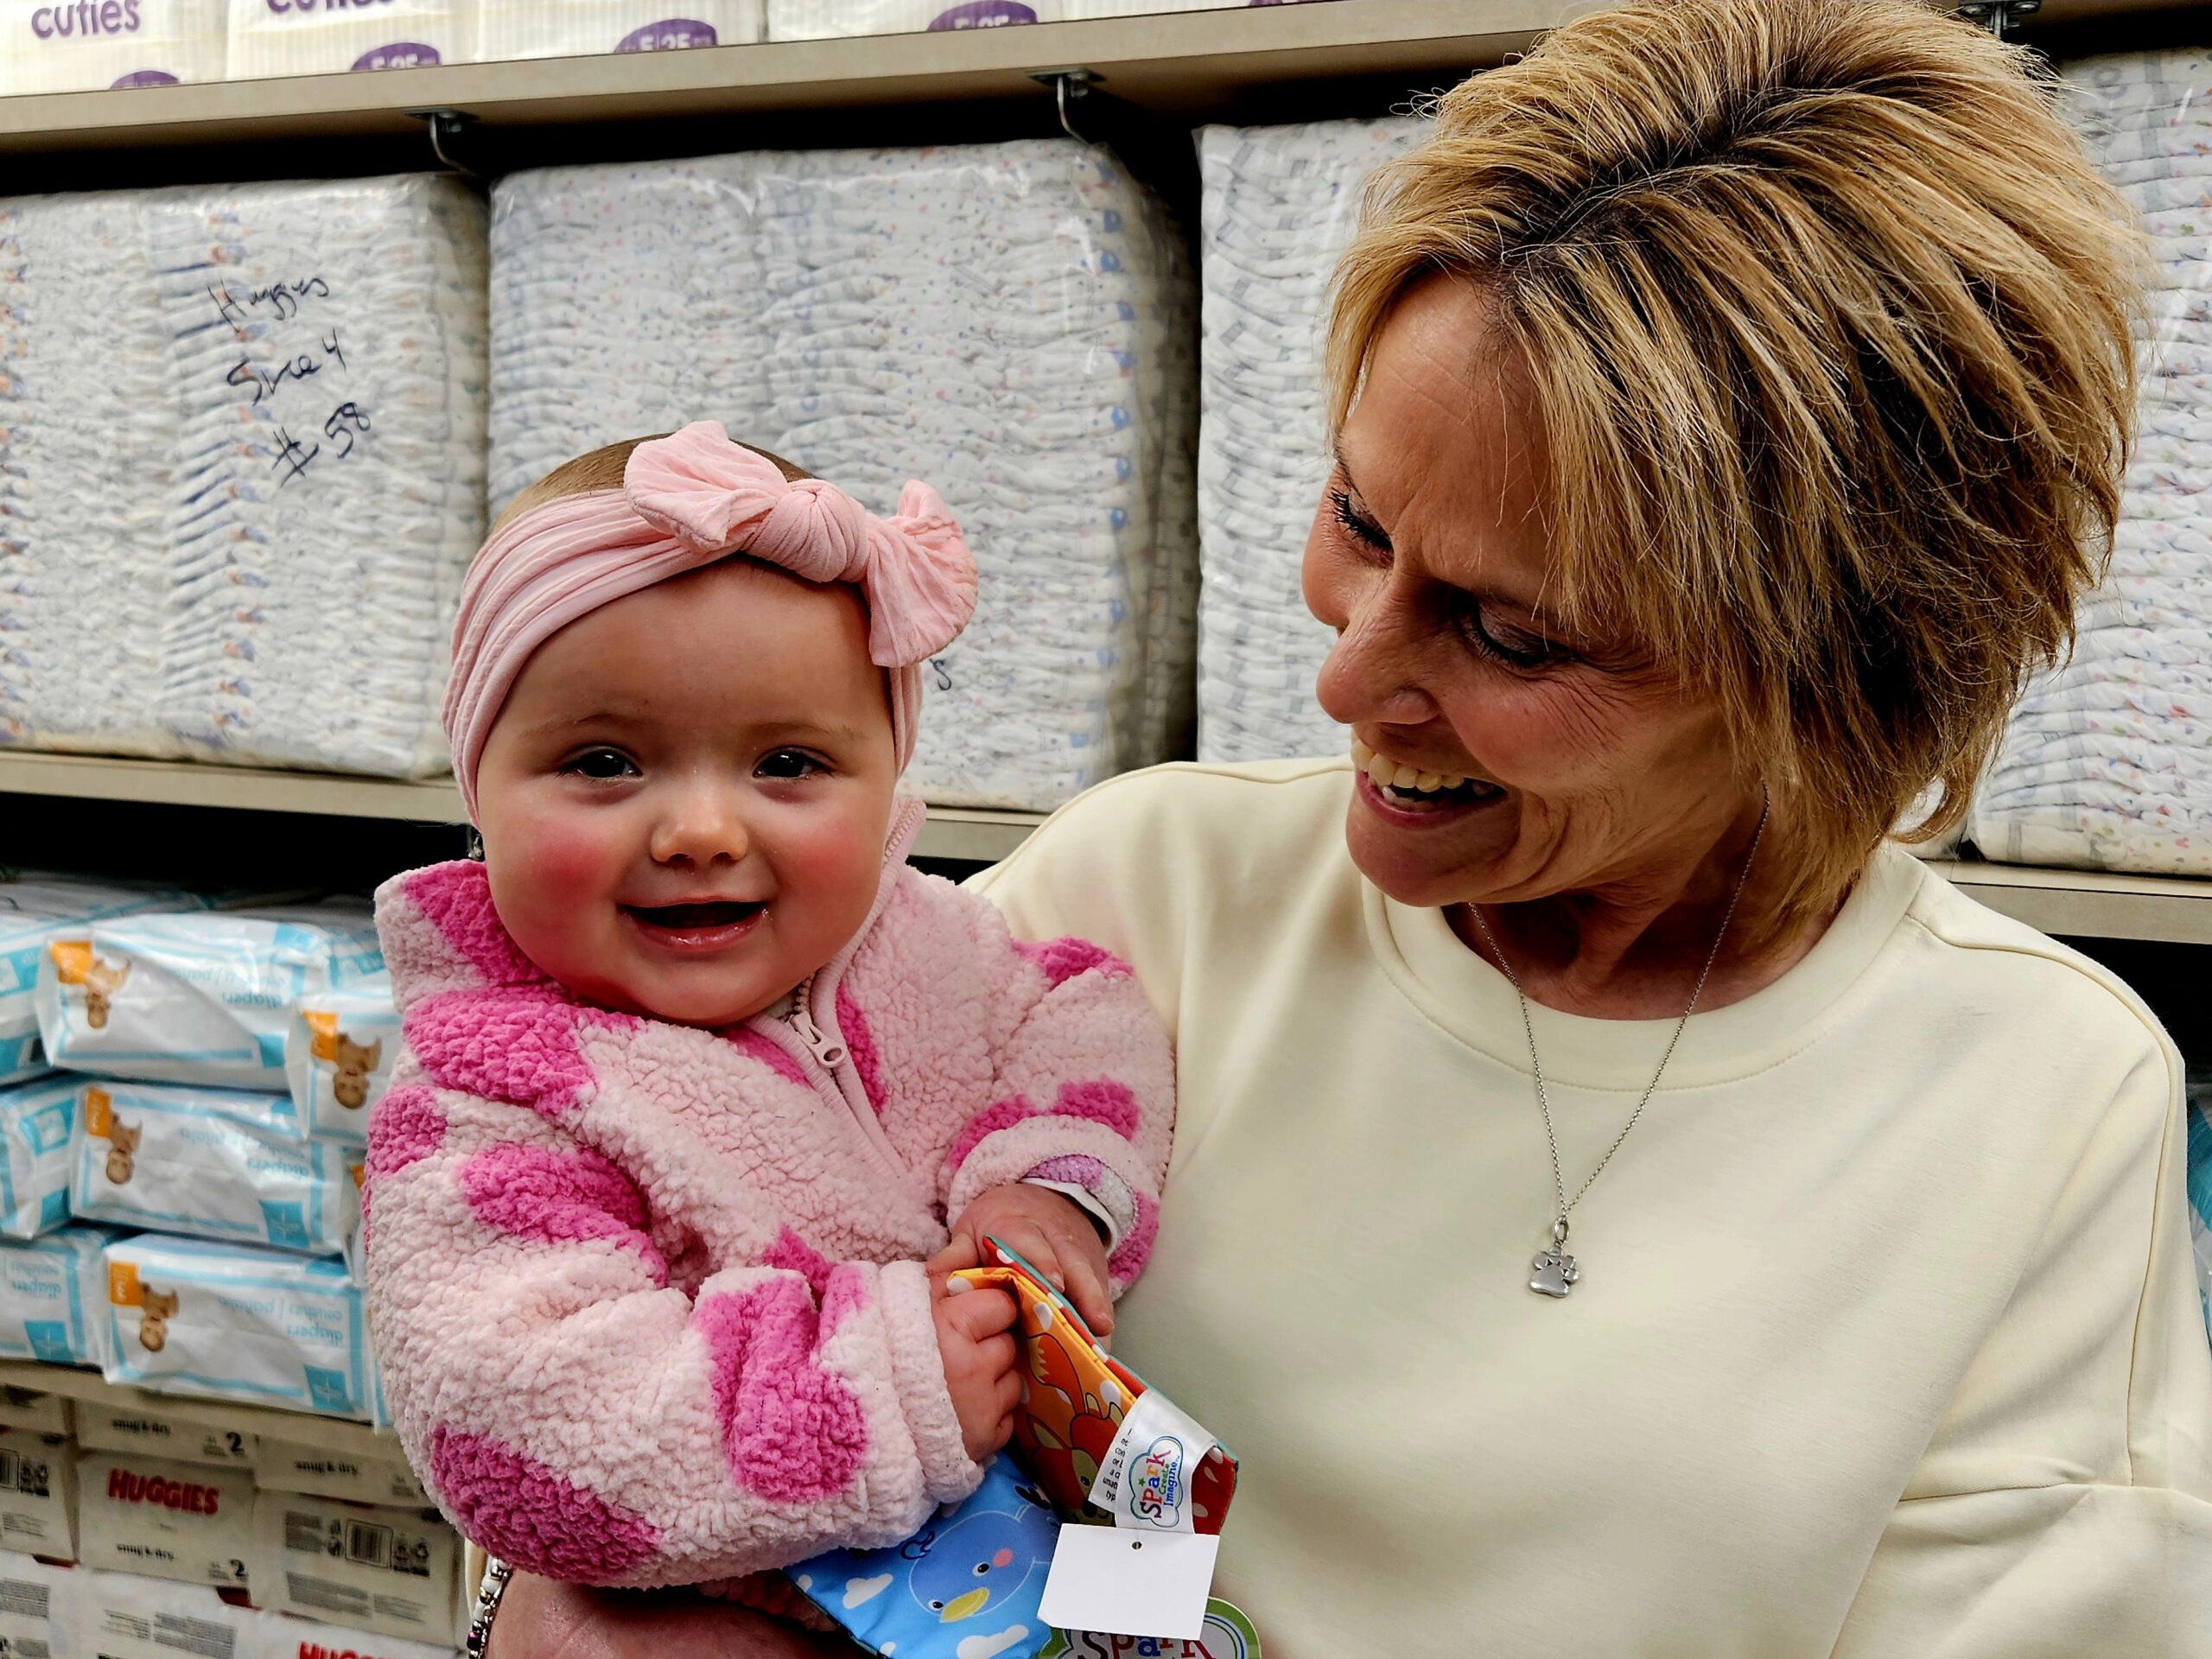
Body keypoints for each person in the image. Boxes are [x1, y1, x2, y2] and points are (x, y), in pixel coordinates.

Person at [471, 0, 2212, 1652]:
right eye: (1356, 522)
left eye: (1513, 633)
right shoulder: (1130, 904)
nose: (1347, 673)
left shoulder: (2033, 1099)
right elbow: (629, 1304)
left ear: (1837, 674)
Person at [362, 423, 1173, 1612]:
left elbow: (1083, 1021)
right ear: (476, 785)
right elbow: (530, 1423)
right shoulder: (488, 1105)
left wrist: (1049, 1188)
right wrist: (890, 1385)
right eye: (602, 760)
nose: (701, 830)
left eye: (788, 762)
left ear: (889, 775)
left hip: (1039, 1594)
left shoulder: (930, 947)